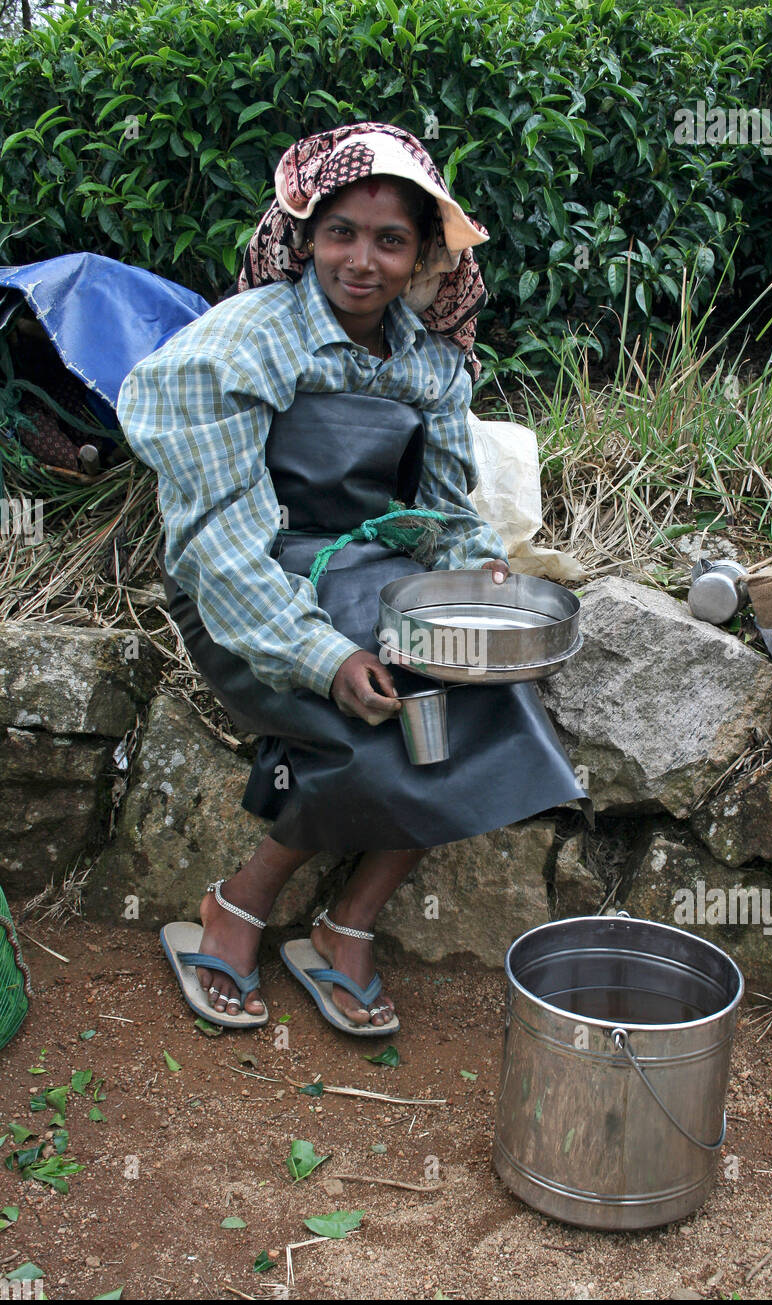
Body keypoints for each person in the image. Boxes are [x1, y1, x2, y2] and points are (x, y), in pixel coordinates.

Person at [116, 122, 581, 1035]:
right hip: (251, 586)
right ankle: (238, 906)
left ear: (420, 260)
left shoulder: (430, 362)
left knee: (489, 701)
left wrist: (475, 577)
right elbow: (218, 547)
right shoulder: (237, 349)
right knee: (389, 722)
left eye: (391, 240)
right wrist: (321, 656)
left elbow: (443, 513)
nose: (361, 261)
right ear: (305, 236)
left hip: (371, 574)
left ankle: (346, 923)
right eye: (341, 233)